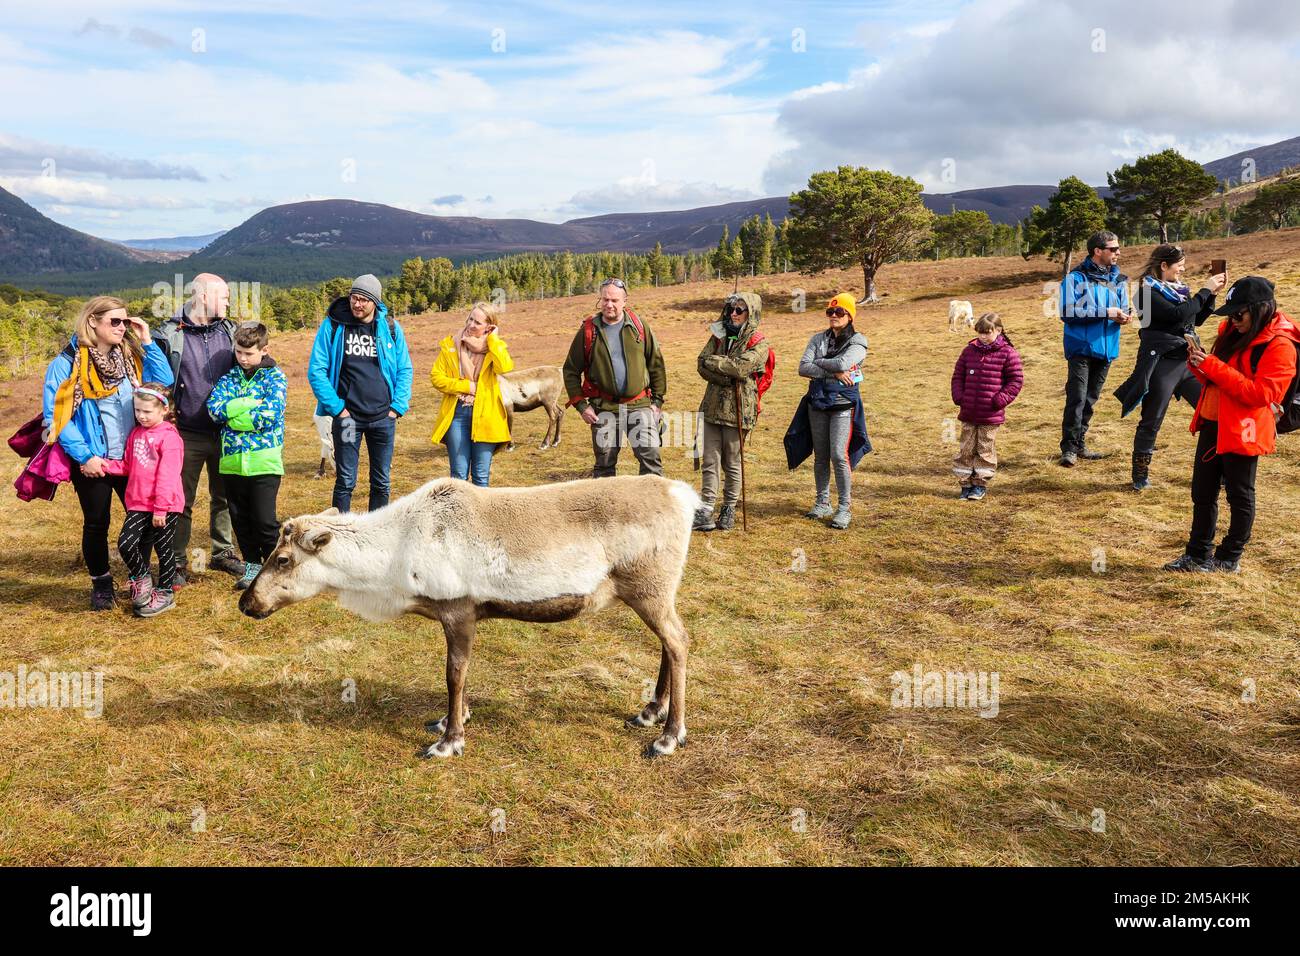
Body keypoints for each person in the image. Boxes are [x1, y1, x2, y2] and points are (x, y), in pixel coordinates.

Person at [43, 296, 174, 610]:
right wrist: (85, 457)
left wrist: (147, 341)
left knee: (141, 519)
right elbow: (56, 417)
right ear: (93, 322)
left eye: (124, 321)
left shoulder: (129, 354)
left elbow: (163, 384)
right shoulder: (66, 363)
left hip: (133, 457)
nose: (121, 327)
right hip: (95, 460)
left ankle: (138, 577)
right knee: (96, 522)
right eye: (114, 321)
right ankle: (101, 583)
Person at [1164, 277, 1299, 573]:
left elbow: (1261, 394)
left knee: (1239, 493)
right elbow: (1217, 381)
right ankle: (1197, 554)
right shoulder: (1231, 331)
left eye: (1240, 313)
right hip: (1213, 420)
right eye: (1230, 313)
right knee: (1202, 491)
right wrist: (1199, 365)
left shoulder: (1281, 345)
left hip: (1245, 426)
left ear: (1260, 309)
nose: (1233, 319)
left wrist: (1212, 365)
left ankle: (1228, 557)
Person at [152, 273, 244, 583]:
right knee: (181, 499)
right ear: (204, 297)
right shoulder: (168, 334)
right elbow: (156, 381)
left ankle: (222, 553)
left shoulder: (231, 332)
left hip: (226, 431)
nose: (230, 302)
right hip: (185, 433)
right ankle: (176, 561)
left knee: (226, 496)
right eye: (225, 296)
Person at [1114, 245, 1226, 490]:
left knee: (1213, 414)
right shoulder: (1144, 294)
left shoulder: (1178, 291)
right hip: (1162, 364)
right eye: (1180, 264)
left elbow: (1194, 318)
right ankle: (1139, 475)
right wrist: (1204, 290)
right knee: (1152, 420)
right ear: (1164, 266)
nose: (1183, 268)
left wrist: (1212, 295)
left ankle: (1221, 471)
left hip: (1189, 363)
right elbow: (1177, 315)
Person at [308, 273, 414, 512]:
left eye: (364, 300)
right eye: (354, 298)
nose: (357, 304)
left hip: (383, 420)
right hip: (348, 421)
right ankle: (340, 535)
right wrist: (338, 409)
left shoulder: (391, 328)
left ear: (375, 302)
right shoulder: (334, 325)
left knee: (381, 482)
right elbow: (317, 369)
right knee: (345, 481)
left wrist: (397, 407)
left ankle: (375, 535)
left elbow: (405, 368)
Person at [206, 321, 287, 591]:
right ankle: (252, 566)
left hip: (264, 462)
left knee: (264, 521)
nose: (242, 358)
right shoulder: (229, 377)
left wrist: (233, 415)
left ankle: (278, 566)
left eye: (248, 353)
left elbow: (269, 415)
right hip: (231, 463)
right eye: (238, 352)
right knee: (240, 520)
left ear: (264, 350)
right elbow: (215, 410)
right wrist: (246, 404)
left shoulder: (275, 377)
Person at [562, 278, 667, 478]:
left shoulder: (638, 326)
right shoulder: (588, 330)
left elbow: (656, 364)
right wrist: (582, 406)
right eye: (605, 299)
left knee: (651, 459)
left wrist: (657, 402)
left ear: (625, 301)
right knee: (604, 464)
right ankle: (604, 509)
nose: (609, 304)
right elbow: (570, 370)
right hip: (604, 408)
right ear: (599, 300)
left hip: (639, 405)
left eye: (614, 300)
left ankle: (652, 508)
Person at [785, 292, 871, 530]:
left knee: (838, 454)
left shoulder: (858, 341)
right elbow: (803, 368)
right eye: (830, 312)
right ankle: (822, 501)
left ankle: (844, 507)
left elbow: (845, 364)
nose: (833, 316)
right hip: (818, 402)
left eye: (839, 312)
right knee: (820, 455)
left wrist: (820, 362)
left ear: (850, 316)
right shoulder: (818, 339)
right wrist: (832, 371)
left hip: (843, 404)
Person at [101, 384, 185, 617]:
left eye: (147, 411)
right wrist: (104, 465)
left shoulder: (170, 438)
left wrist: (161, 509)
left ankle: (166, 592)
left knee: (163, 547)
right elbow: (127, 465)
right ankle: (141, 577)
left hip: (164, 505)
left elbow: (168, 476)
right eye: (137, 410)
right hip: (138, 503)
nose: (141, 416)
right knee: (126, 543)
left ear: (164, 410)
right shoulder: (136, 433)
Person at [1059, 230, 1135, 466]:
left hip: (1107, 348)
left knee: (1091, 399)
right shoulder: (1075, 279)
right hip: (1081, 348)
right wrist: (1106, 312)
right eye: (1114, 249)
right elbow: (1068, 313)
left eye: (1118, 248)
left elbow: (1125, 308)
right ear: (1098, 251)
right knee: (1077, 398)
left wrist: (1126, 316)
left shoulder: (1120, 280)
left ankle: (1080, 445)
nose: (1118, 253)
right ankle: (1068, 449)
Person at [693, 292, 766, 532]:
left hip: (738, 411)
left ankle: (729, 508)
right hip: (713, 406)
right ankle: (706, 509)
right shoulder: (719, 335)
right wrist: (724, 377)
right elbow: (701, 363)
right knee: (710, 460)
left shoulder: (759, 343)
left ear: (751, 313)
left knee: (732, 462)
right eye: (731, 309)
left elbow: (741, 368)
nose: (733, 314)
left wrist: (719, 364)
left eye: (739, 310)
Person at [430, 303, 514, 486]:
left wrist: (493, 339)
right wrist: (467, 386)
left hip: (486, 415)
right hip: (457, 414)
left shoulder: (494, 349)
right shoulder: (451, 344)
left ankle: (480, 515)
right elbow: (436, 378)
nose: (471, 324)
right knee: (458, 476)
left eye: (478, 322)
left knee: (481, 476)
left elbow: (505, 367)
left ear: (488, 327)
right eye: (470, 318)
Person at [950, 313, 1024, 501]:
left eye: (987, 333)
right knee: (966, 447)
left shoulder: (1008, 353)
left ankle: (980, 485)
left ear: (998, 331)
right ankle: (964, 483)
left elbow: (1015, 381)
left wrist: (999, 401)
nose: (982, 337)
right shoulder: (969, 351)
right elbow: (958, 375)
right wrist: (959, 397)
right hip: (968, 411)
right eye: (980, 333)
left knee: (984, 448)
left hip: (990, 415)